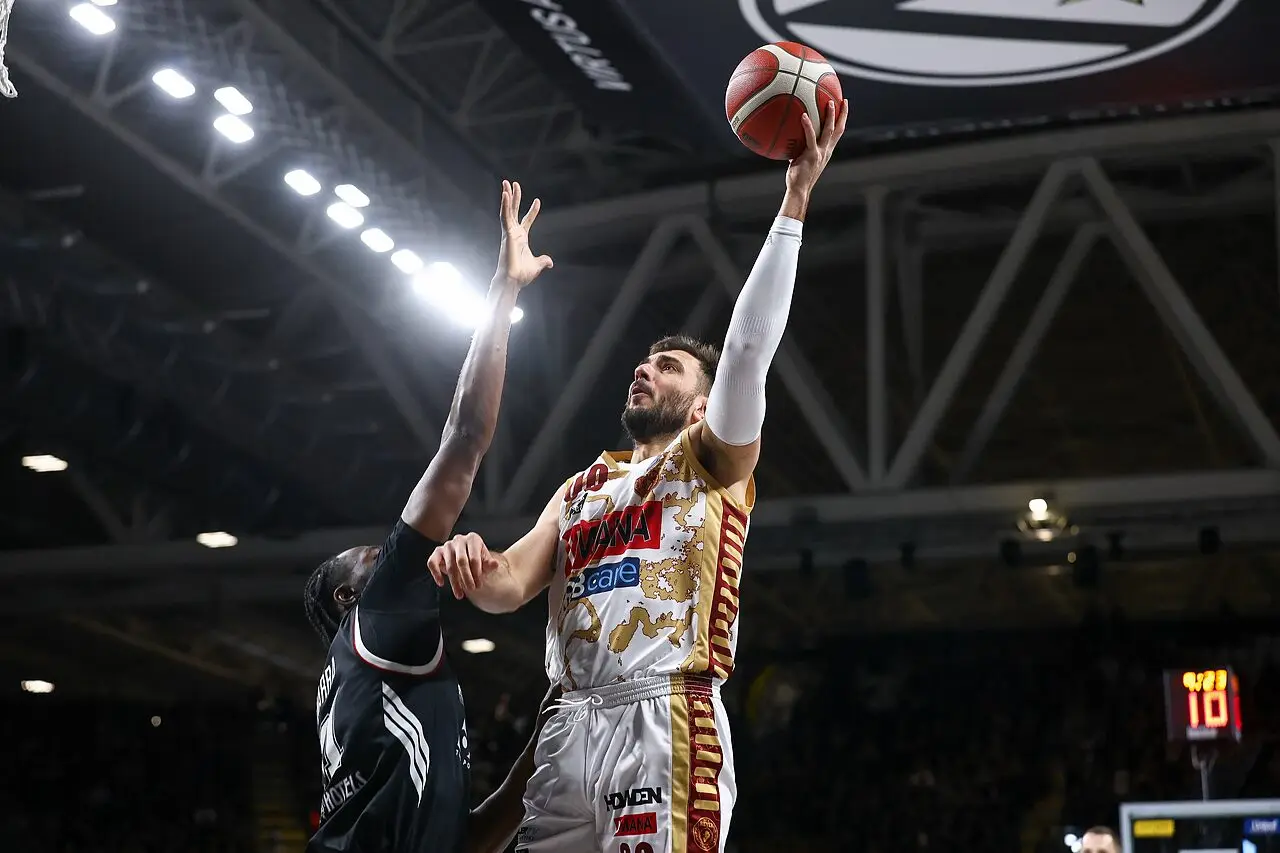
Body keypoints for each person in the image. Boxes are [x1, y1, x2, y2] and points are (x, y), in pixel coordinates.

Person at [427, 100, 849, 853]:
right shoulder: (582, 488)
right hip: (567, 725)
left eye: (669, 366)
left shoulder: (712, 461)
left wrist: (794, 200)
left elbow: (747, 352)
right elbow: (506, 586)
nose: (644, 369)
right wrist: (470, 560)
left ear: (702, 406)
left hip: (665, 714)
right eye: (645, 361)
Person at [302, 180, 558, 853]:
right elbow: (465, 437)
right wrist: (503, 290)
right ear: (350, 597)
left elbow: (466, 840)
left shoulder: (366, 685)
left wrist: (549, 727)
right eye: (373, 556)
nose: (392, 556)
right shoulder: (379, 613)